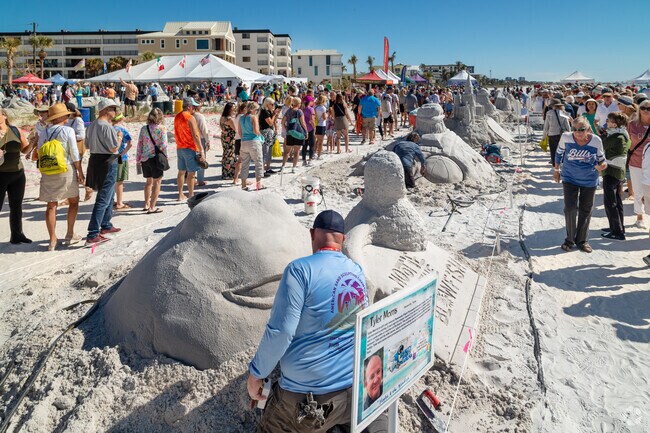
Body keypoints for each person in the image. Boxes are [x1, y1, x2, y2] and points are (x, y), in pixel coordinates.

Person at [247, 210, 387, 433]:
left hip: (308, 402)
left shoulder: (299, 270)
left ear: (312, 234)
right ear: (344, 239)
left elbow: (282, 331)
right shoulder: (357, 272)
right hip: (353, 392)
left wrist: (257, 374)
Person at [554, 117, 607, 253]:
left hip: (589, 180)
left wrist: (601, 167)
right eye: (575, 129)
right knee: (570, 208)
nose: (577, 132)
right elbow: (559, 153)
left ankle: (582, 241)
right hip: (569, 177)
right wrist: (556, 170)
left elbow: (602, 160)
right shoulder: (566, 137)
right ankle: (569, 239)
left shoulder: (596, 140)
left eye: (581, 129)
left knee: (586, 210)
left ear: (588, 129)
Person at [37, 104, 85, 250]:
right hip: (66, 169)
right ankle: (70, 233)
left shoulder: (44, 132)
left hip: (48, 170)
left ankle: (52, 239)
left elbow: (40, 151)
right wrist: (80, 171)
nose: (68, 116)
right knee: (74, 201)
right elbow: (74, 153)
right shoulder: (68, 130)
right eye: (66, 114)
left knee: (51, 205)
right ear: (62, 117)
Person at [85, 99, 121, 246]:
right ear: (107, 110)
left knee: (109, 194)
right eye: (113, 109)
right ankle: (93, 233)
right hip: (107, 161)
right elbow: (114, 148)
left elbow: (87, 145)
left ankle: (105, 224)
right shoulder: (106, 126)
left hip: (95, 160)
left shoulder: (92, 125)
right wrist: (119, 138)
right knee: (104, 197)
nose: (115, 112)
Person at [0, 108, 32, 244]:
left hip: (18, 174)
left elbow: (24, 150)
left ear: (4, 116)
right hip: (0, 175)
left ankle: (17, 235)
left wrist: (33, 144)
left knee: (16, 206)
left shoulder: (15, 130)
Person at [601, 112, 631, 241]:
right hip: (619, 172)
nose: (606, 122)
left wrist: (601, 136)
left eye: (608, 120)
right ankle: (618, 226)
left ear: (614, 123)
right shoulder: (624, 134)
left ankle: (616, 231)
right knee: (617, 202)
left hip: (611, 172)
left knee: (610, 202)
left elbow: (601, 146)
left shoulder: (616, 137)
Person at [136, 107, 167, 214]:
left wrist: (138, 158)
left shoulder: (144, 129)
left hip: (145, 158)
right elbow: (163, 145)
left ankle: (146, 204)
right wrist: (165, 157)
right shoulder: (162, 129)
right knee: (157, 182)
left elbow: (140, 144)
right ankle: (152, 207)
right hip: (156, 158)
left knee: (148, 182)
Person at [174, 97, 205, 200]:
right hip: (190, 147)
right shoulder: (190, 118)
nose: (194, 109)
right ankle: (191, 195)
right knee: (191, 173)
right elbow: (196, 135)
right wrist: (201, 150)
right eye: (193, 107)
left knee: (181, 171)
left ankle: (180, 194)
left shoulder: (177, 116)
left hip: (179, 147)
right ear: (189, 106)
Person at [627, 99, 650, 229]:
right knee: (638, 191)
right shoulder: (632, 124)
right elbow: (627, 142)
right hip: (636, 161)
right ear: (639, 110)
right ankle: (639, 217)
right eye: (643, 108)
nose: (646, 110)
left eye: (649, 108)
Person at [239, 101, 265, 190]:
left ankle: (243, 185)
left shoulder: (241, 118)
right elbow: (255, 131)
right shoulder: (253, 117)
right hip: (254, 141)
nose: (257, 111)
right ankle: (258, 184)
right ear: (254, 109)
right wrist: (261, 136)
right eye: (257, 110)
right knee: (258, 163)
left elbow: (240, 132)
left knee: (245, 164)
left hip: (244, 142)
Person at [111, 112, 133, 210]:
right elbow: (130, 143)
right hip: (120, 157)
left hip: (109, 157)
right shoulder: (122, 130)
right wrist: (122, 153)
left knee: (111, 180)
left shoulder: (108, 129)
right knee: (119, 181)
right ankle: (119, 203)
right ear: (120, 119)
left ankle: (111, 200)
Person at [281, 97, 308, 173]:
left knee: (287, 151)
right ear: (298, 104)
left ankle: (283, 166)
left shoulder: (289, 111)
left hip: (290, 133)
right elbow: (303, 123)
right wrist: (306, 132)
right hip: (298, 133)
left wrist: (286, 129)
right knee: (296, 151)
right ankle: (293, 168)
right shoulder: (299, 111)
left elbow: (282, 122)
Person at [543, 99, 572, 165]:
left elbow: (546, 126)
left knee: (553, 150)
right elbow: (567, 125)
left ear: (553, 106)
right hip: (562, 134)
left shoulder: (549, 113)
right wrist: (570, 134)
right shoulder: (564, 113)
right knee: (563, 150)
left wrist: (544, 136)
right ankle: (563, 163)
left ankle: (555, 165)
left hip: (552, 134)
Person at [260, 97, 280, 175]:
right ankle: (262, 170)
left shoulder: (268, 111)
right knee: (265, 151)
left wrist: (274, 114)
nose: (273, 105)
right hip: (265, 133)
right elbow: (270, 123)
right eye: (272, 104)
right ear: (267, 104)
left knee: (269, 151)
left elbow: (273, 122)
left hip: (269, 133)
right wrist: (274, 115)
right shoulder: (264, 112)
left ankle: (268, 168)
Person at [193, 102, 210, 186]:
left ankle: (191, 178)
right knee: (201, 159)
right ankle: (200, 180)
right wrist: (208, 141)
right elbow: (204, 130)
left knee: (192, 159)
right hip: (200, 139)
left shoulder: (189, 116)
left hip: (190, 140)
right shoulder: (200, 116)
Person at [219, 102, 237, 180]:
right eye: (233, 107)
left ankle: (225, 173)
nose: (235, 108)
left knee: (225, 155)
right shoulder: (230, 119)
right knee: (230, 155)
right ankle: (229, 174)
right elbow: (235, 129)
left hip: (224, 137)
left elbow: (221, 127)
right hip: (230, 138)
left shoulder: (222, 117)